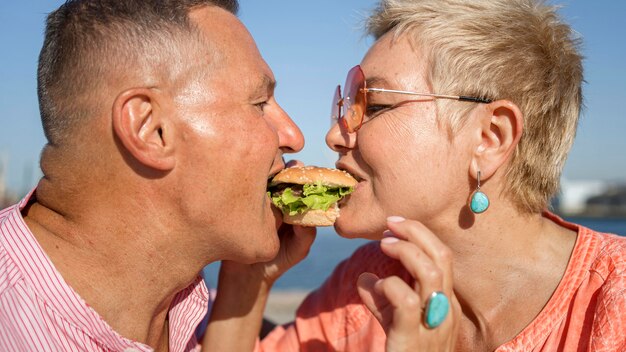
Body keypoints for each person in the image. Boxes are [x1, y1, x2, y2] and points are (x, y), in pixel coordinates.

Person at [209, 0, 626, 351]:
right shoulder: (363, 286)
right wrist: (249, 278)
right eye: (345, 105)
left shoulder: (614, 306)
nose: (334, 134)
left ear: (490, 137)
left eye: (371, 106)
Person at [0, 0, 316, 351]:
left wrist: (248, 280)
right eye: (259, 104)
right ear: (151, 130)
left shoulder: (176, 309)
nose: (293, 136)